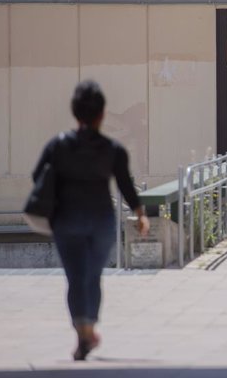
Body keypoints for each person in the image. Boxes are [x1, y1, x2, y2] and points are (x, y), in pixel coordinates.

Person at [32, 80, 150, 360]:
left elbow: (38, 176)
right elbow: (126, 185)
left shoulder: (57, 146)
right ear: (102, 114)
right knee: (92, 277)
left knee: (75, 278)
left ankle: (82, 332)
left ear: (75, 113)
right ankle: (89, 328)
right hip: (101, 222)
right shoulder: (113, 150)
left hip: (67, 221)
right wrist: (141, 215)